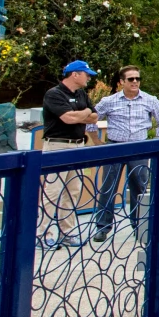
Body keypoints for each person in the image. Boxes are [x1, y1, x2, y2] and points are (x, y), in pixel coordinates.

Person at [93, 65, 159, 243]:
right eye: (131, 79)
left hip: (139, 147)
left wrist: (157, 142)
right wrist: (97, 142)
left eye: (137, 78)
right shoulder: (109, 101)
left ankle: (139, 227)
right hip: (115, 147)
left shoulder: (149, 100)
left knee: (140, 188)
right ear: (121, 82)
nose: (135, 82)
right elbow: (92, 118)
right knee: (108, 187)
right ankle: (102, 227)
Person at [39, 60, 100, 246]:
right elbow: (68, 118)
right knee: (52, 191)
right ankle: (43, 233)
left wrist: (83, 112)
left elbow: (94, 116)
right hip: (58, 145)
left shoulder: (81, 94)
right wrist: (84, 113)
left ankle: (68, 232)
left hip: (78, 145)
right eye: (86, 74)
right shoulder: (54, 94)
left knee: (73, 191)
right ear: (75, 74)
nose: (88, 78)